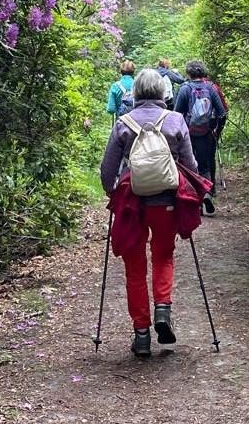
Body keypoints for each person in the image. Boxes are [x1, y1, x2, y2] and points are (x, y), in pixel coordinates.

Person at [100, 69, 198, 357]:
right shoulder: (176, 120)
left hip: (133, 201)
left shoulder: (123, 123)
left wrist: (111, 192)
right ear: (162, 92)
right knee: (164, 254)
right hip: (165, 199)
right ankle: (163, 311)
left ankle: (141, 334)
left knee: (134, 267)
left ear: (136, 93)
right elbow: (190, 165)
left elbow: (108, 169)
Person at [174, 60, 227, 215]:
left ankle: (196, 202)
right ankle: (207, 194)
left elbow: (177, 115)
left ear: (189, 73)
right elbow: (222, 113)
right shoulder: (211, 88)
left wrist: (179, 134)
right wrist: (216, 130)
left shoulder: (185, 89)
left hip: (188, 134)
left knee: (191, 166)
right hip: (206, 133)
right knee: (204, 166)